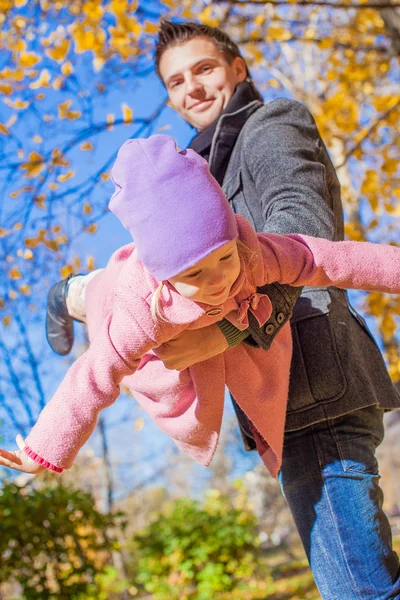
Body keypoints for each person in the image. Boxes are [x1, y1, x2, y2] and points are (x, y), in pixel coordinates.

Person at [43, 21, 400, 599]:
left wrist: (228, 333)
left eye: (204, 69)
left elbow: (300, 228)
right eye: (176, 81)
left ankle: (70, 293)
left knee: (361, 591)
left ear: (238, 68)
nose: (193, 88)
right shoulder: (199, 172)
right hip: (288, 397)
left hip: (313, 381)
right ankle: (72, 294)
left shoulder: (270, 124)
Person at [1, 134, 400, 481]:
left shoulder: (252, 252)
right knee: (102, 302)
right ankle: (69, 290)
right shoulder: (142, 308)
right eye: (194, 273)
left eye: (224, 258)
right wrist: (44, 449)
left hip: (190, 309)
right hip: (117, 295)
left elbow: (331, 259)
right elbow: (94, 375)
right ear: (167, 276)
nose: (218, 280)